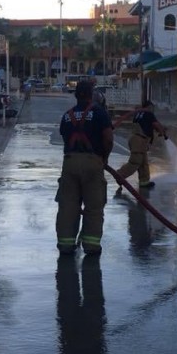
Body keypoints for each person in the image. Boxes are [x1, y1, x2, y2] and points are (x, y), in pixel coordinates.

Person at [56, 81, 114, 256]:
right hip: (92, 162)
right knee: (93, 206)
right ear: (91, 94)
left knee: (67, 206)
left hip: (70, 163)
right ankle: (91, 246)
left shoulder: (67, 115)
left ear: (75, 95)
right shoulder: (99, 113)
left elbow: (65, 137)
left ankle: (65, 245)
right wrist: (104, 158)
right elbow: (109, 139)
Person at [116, 100, 167, 189]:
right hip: (139, 140)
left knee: (143, 163)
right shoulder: (149, 113)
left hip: (137, 139)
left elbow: (145, 124)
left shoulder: (138, 114)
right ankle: (120, 175)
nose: (153, 109)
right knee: (135, 162)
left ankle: (144, 182)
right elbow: (155, 124)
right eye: (152, 107)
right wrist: (162, 131)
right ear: (149, 107)